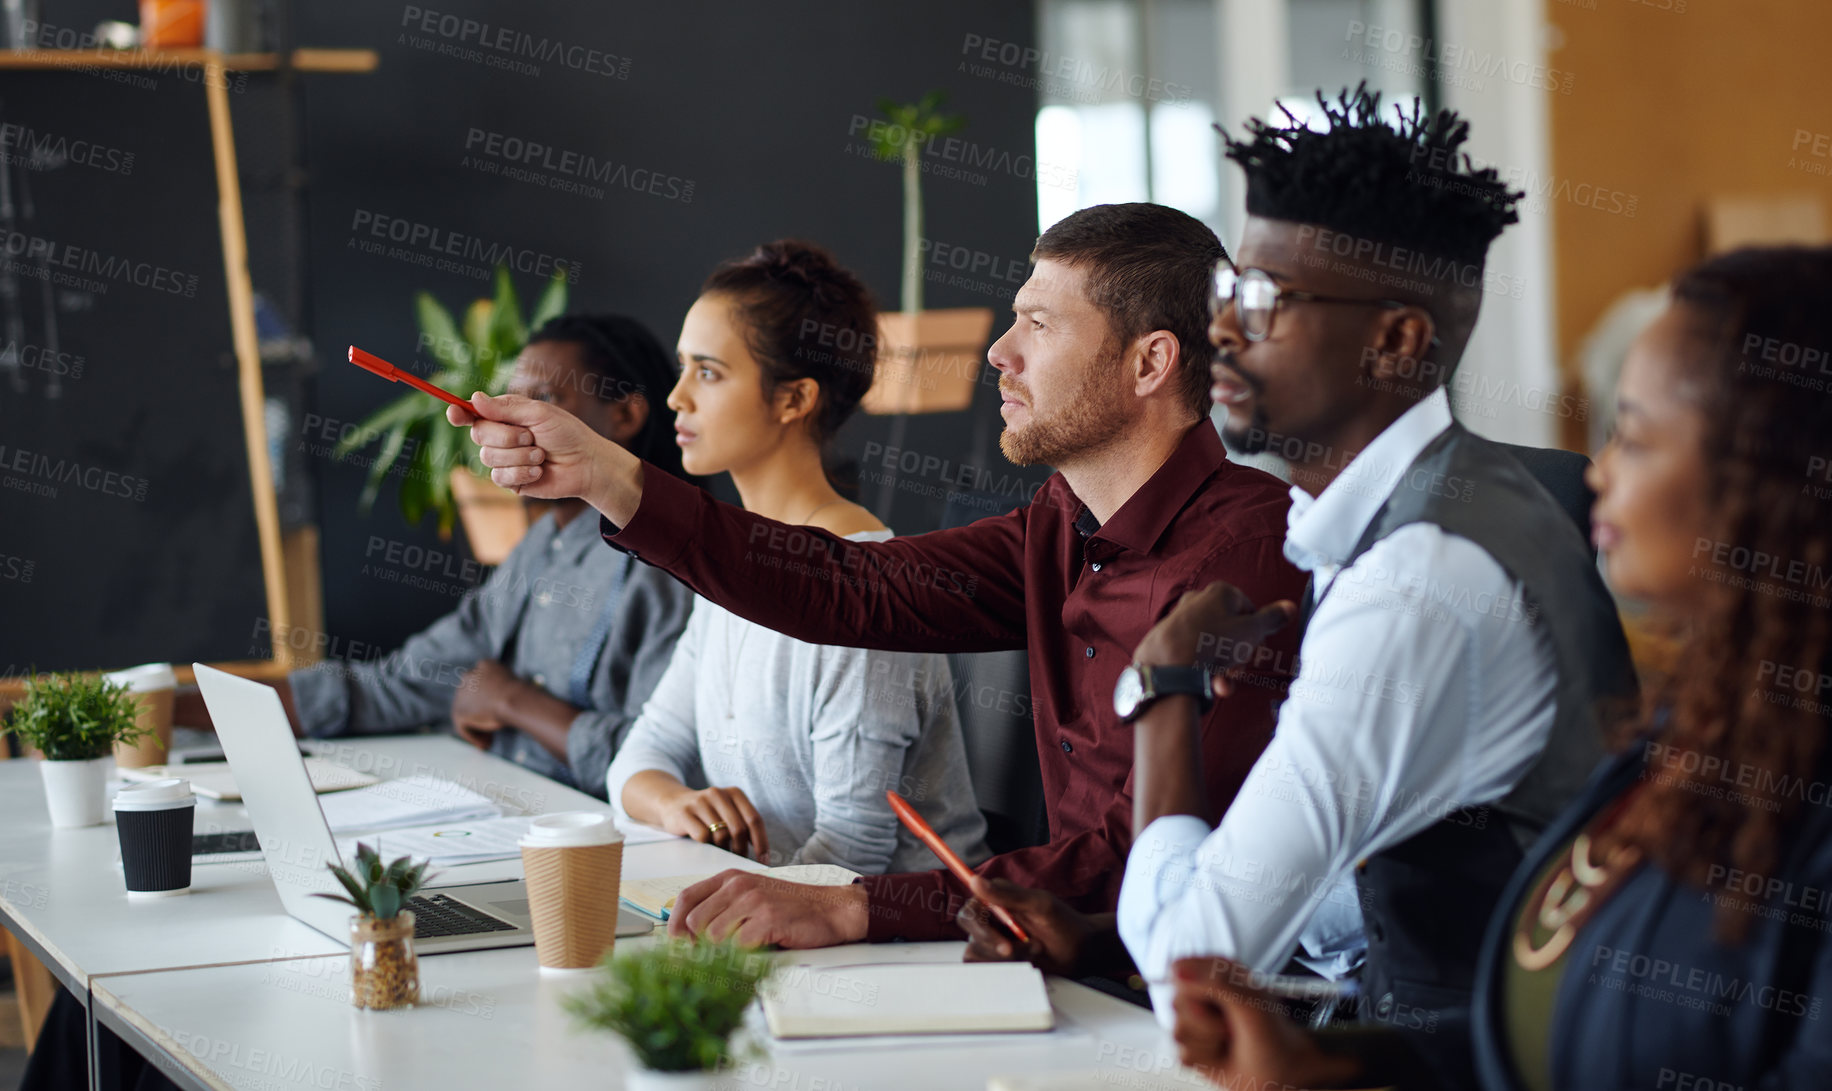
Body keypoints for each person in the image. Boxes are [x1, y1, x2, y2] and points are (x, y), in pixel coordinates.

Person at [957, 85, 1636, 1071]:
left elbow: (1190, 952)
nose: (1222, 332)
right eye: (1229, 295)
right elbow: (1332, 908)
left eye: (1266, 302)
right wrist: (1098, 930)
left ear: (1397, 341)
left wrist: (1163, 691)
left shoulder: (1415, 580)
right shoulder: (1438, 501)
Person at [451, 203, 1307, 952]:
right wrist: (607, 473)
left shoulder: (1248, 548)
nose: (1000, 353)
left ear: (1149, 363)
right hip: (1059, 955)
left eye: (1038, 326)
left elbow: (1141, 856)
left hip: (1190, 999)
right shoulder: (1059, 522)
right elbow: (848, 587)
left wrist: (856, 904)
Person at [1164, 246, 1832, 1090]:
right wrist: (1335, 1062)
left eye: (1636, 434)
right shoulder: (1693, 738)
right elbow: (1539, 1035)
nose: (1600, 471)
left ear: (1772, 486)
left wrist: (1163, 696)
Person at [172, 314, 698, 799]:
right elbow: (399, 684)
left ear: (626, 415)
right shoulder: (539, 549)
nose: (513, 424)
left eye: (542, 399)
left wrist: (511, 701)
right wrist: (175, 708)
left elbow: (666, 764)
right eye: (510, 401)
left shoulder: (674, 567)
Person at [604, 240, 989, 875]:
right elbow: (638, 760)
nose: (676, 398)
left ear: (794, 399)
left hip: (905, 948)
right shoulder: (734, 563)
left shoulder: (867, 592)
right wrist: (677, 804)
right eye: (682, 367)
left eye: (708, 372)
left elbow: (853, 856)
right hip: (786, 915)